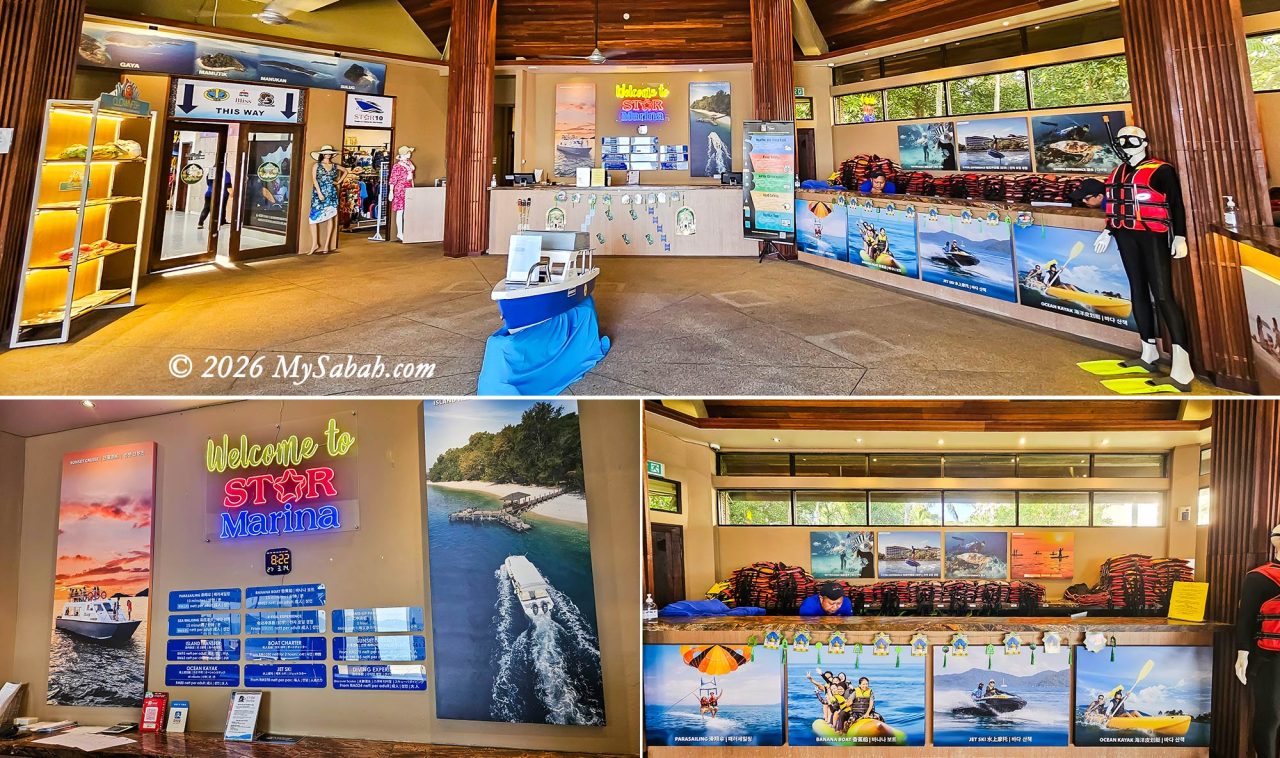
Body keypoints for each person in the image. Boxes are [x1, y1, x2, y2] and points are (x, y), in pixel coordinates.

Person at [307, 145, 348, 255]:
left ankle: (327, 245)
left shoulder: (334, 166)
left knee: (331, 217)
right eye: (326, 153)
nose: (328, 155)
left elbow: (345, 171)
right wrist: (319, 192)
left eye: (330, 153)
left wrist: (338, 182)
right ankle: (314, 243)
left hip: (331, 192)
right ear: (322, 154)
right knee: (313, 218)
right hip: (318, 193)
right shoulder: (317, 165)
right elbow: (314, 180)